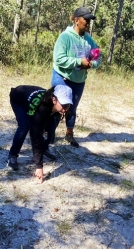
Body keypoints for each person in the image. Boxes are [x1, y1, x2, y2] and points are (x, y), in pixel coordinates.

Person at [48, 7, 101, 148]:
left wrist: (91, 64)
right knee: (59, 107)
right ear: (76, 20)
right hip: (62, 77)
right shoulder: (65, 37)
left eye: (90, 20)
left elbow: (97, 58)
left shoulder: (89, 41)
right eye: (86, 20)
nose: (89, 23)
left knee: (72, 108)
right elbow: (58, 59)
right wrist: (78, 61)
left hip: (78, 81)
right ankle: (49, 133)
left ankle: (69, 134)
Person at [8, 85, 73, 183]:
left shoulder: (56, 105)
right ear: (54, 99)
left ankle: (45, 148)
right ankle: (12, 155)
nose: (65, 108)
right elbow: (35, 136)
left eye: (68, 105)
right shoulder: (43, 108)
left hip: (33, 99)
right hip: (18, 98)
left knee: (52, 125)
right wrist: (39, 166)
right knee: (25, 126)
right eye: (63, 105)